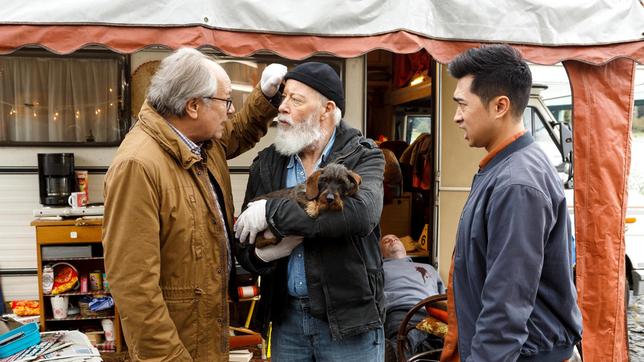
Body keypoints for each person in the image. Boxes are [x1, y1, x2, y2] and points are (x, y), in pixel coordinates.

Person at [102, 48, 286, 361]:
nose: (230, 111)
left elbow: (236, 131)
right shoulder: (138, 165)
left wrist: (265, 97)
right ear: (193, 106)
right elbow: (134, 287)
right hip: (178, 347)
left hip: (205, 335)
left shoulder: (200, 142)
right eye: (226, 101)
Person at [234, 62, 386, 361]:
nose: (282, 108)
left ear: (326, 109)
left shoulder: (363, 154)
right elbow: (244, 244)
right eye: (283, 97)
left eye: (296, 100)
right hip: (287, 320)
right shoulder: (267, 163)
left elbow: (359, 215)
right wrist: (262, 256)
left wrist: (272, 213)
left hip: (349, 322)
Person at [442, 44, 582, 361]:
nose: (456, 116)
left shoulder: (517, 182)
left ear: (500, 106)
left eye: (462, 105)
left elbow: (507, 302)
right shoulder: (506, 168)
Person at [379, 234, 444, 361]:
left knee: (449, 344)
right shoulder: (378, 271)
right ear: (380, 253)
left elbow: (444, 297)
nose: (392, 240)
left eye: (396, 238)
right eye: (387, 241)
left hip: (432, 313)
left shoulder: (429, 268)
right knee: (404, 344)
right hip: (400, 312)